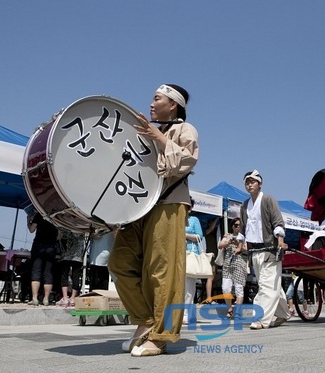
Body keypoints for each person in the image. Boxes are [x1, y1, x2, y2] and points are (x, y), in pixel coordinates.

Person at [107, 84, 198, 357]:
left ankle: (162, 335)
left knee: (163, 270)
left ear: (173, 104)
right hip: (138, 206)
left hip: (169, 203)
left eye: (157, 98)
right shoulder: (147, 129)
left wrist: (157, 136)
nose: (151, 103)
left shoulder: (185, 129)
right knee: (119, 261)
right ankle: (145, 320)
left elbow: (185, 160)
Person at [240, 169, 290, 329]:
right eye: (247, 182)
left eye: (252, 181)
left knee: (267, 285)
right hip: (254, 252)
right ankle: (283, 313)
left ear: (260, 184)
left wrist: (280, 240)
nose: (249, 184)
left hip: (270, 250)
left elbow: (278, 222)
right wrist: (239, 244)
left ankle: (261, 319)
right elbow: (243, 228)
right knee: (268, 284)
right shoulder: (244, 205)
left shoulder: (268, 200)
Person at [217, 217, 247, 318]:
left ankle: (237, 312)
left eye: (239, 225)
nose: (237, 227)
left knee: (239, 288)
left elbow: (247, 249)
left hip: (239, 263)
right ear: (232, 226)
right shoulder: (228, 236)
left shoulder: (243, 237)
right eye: (235, 225)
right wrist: (229, 242)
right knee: (225, 288)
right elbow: (220, 245)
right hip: (228, 264)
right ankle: (229, 307)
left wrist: (239, 245)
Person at [27, 211, 59, 306]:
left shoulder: (40, 214)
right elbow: (59, 236)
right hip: (51, 247)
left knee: (36, 271)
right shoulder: (57, 216)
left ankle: (35, 298)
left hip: (39, 246)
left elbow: (32, 229)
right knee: (48, 273)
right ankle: (46, 299)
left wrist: (28, 222)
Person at [183, 201, 203, 324]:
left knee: (189, 286)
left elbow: (200, 236)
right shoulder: (175, 219)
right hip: (177, 254)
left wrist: (185, 235)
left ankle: (186, 313)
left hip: (191, 254)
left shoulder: (194, 220)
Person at [56, 229, 85, 307]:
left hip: (66, 253)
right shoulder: (82, 223)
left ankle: (65, 298)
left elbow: (59, 237)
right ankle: (72, 298)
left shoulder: (64, 223)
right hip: (78, 254)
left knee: (64, 275)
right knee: (76, 275)